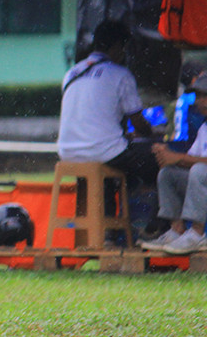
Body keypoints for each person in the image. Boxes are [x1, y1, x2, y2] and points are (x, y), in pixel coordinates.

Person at [57, 20, 158, 192]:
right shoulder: (120, 74)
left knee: (112, 169)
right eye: (124, 48)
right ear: (118, 46)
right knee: (157, 159)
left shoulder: (72, 73)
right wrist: (151, 134)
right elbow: (139, 123)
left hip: (67, 152)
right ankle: (147, 209)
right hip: (103, 153)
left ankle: (104, 208)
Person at [140, 74, 207, 254]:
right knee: (168, 173)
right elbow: (191, 158)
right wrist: (167, 155)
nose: (200, 101)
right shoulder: (204, 127)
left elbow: (196, 164)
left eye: (205, 96)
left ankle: (197, 233)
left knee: (199, 171)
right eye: (198, 96)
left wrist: (177, 157)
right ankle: (177, 230)